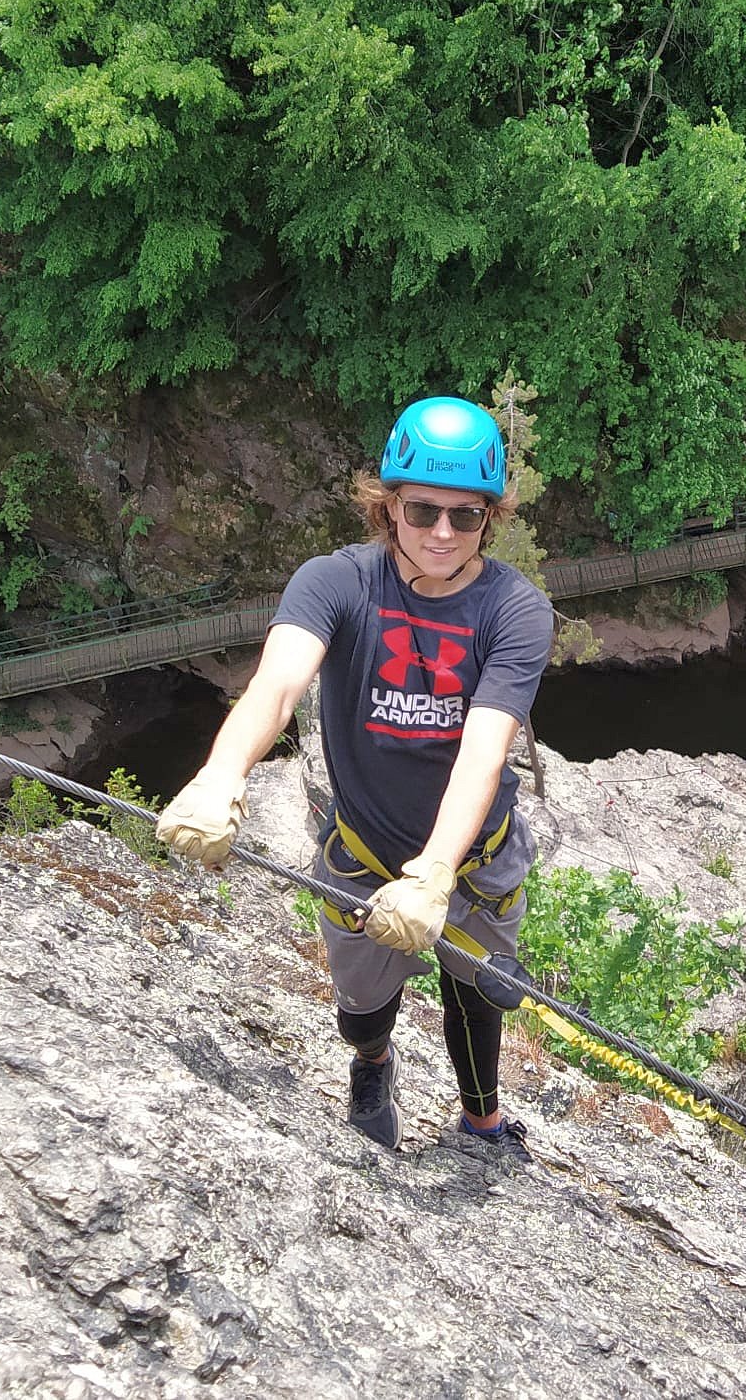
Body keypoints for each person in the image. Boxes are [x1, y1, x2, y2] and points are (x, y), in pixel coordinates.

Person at [156, 396, 554, 1162]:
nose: (443, 533)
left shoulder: (513, 610)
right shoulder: (335, 583)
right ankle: (373, 1063)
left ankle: (481, 1121)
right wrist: (220, 774)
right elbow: (277, 686)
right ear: (389, 506)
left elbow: (483, 749)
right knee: (363, 1008)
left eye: (466, 516)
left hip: (473, 862)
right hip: (365, 856)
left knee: (478, 999)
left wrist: (436, 873)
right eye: (423, 510)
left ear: (489, 519)